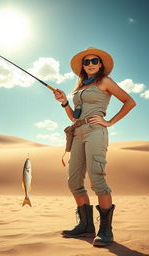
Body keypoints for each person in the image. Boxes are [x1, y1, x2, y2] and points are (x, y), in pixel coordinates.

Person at [53, 47, 136, 247]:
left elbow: (129, 102)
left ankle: (106, 230)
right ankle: (85, 225)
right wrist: (65, 102)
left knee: (97, 180)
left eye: (94, 61)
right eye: (86, 62)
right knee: (73, 181)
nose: (90, 64)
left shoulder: (105, 82)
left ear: (100, 64)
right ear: (83, 66)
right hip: (78, 132)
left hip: (95, 132)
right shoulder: (79, 89)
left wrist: (109, 122)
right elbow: (74, 117)